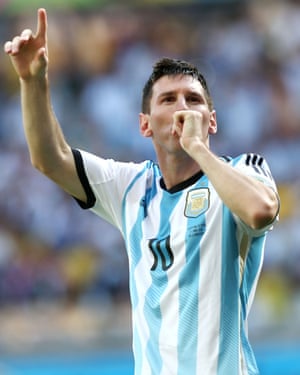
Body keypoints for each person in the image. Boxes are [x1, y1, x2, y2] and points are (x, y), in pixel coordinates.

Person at [4, 8, 279, 375]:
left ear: (211, 120)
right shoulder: (131, 186)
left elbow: (261, 211)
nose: (182, 108)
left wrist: (198, 148)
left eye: (193, 100)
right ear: (145, 125)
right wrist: (32, 82)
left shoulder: (245, 169)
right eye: (168, 100)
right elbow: (49, 159)